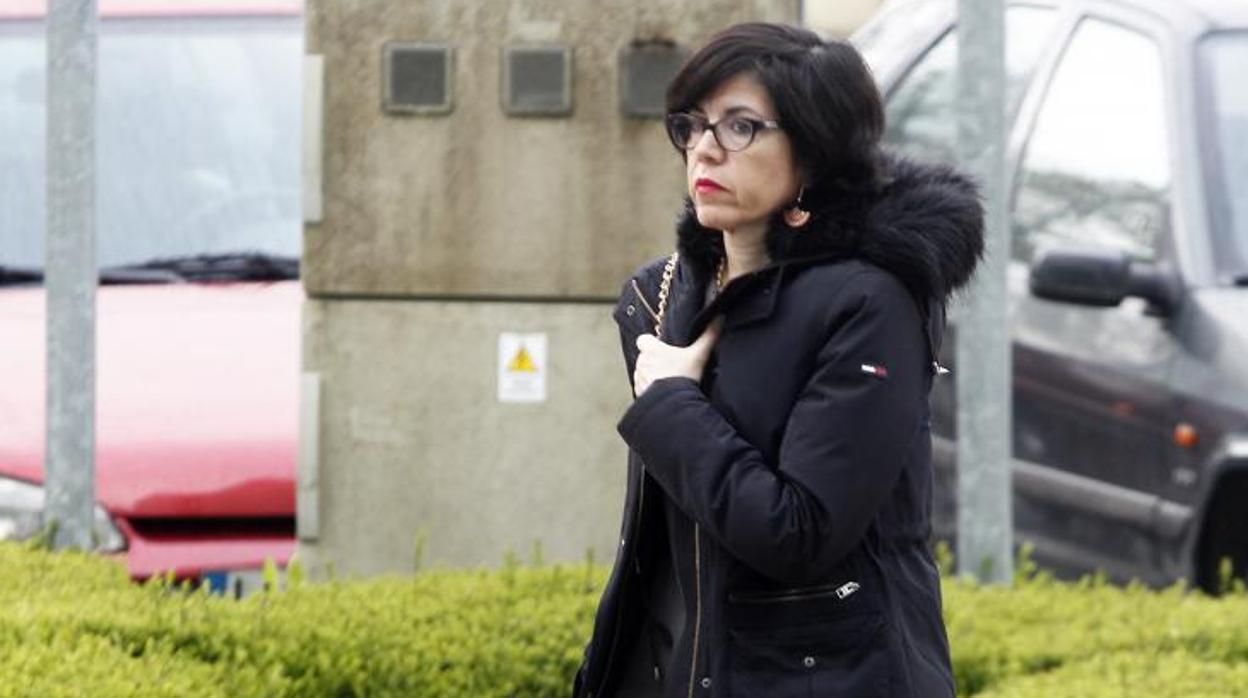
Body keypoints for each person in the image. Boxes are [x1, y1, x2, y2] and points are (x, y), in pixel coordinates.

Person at [573, 22, 984, 698]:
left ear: (814, 151)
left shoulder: (867, 304)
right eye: (692, 125)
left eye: (740, 127)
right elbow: (667, 556)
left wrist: (674, 405)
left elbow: (800, 535)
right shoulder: (661, 297)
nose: (705, 149)